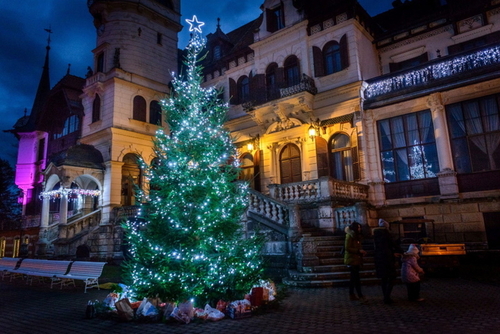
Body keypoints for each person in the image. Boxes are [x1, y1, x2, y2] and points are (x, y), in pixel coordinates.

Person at [373, 218, 402, 304]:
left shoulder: (376, 234)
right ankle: (387, 297)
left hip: (379, 258)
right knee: (392, 277)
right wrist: (400, 251)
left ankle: (385, 296)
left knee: (384, 278)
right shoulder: (386, 234)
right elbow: (392, 244)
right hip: (387, 258)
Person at [344, 222, 367, 302]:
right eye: (358, 227)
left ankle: (352, 294)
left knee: (353, 278)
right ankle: (360, 295)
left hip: (356, 259)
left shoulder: (357, 237)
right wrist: (358, 251)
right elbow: (347, 248)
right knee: (356, 278)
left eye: (360, 227)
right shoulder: (349, 235)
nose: (359, 229)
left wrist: (361, 252)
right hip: (351, 259)